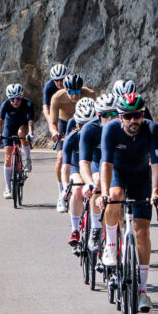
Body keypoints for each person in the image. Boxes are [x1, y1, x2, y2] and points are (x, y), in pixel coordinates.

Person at [98, 93, 158, 310]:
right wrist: (104, 193)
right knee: (115, 196)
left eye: (137, 115)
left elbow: (156, 163)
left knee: (142, 232)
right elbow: (106, 163)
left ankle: (143, 291)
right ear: (120, 117)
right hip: (117, 172)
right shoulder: (110, 129)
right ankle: (110, 246)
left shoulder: (152, 129)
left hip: (140, 177)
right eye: (128, 116)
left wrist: (156, 192)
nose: (133, 121)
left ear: (143, 114)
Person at [46, 73, 93, 210]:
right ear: (66, 90)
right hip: (65, 122)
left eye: (78, 91)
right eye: (71, 92)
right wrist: (54, 132)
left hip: (86, 121)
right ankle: (62, 193)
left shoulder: (90, 94)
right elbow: (52, 122)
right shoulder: (57, 97)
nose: (75, 95)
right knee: (61, 157)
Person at [62, 96, 100, 249]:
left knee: (96, 185)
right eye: (82, 125)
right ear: (76, 124)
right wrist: (65, 188)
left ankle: (98, 227)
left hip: (94, 165)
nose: (85, 129)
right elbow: (65, 167)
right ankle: (75, 229)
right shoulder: (72, 138)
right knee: (77, 189)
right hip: (76, 166)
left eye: (89, 125)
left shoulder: (100, 135)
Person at [0, 83, 35, 199]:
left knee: (22, 133)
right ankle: (8, 187)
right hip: (9, 128)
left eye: (17, 98)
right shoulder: (5, 104)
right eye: (12, 99)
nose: (15, 101)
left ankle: (27, 159)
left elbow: (30, 121)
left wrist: (31, 133)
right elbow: (0, 120)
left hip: (22, 126)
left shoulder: (28, 104)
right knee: (8, 157)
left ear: (21, 97)